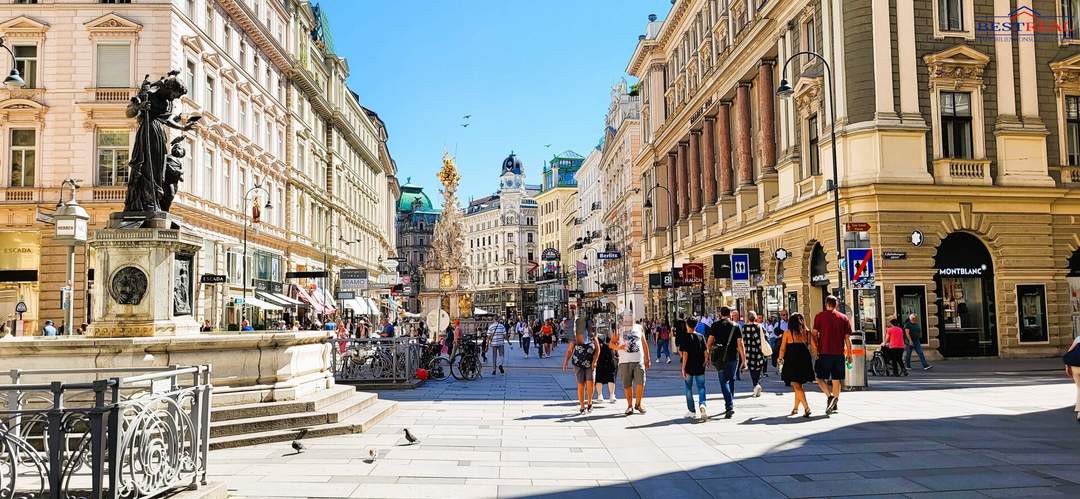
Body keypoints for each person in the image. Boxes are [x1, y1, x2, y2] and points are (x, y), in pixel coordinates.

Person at [812, 295, 853, 415]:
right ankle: (835, 403)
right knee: (836, 380)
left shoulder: (819, 316)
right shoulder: (844, 318)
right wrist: (849, 354)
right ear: (837, 305)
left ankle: (830, 397)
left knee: (819, 378)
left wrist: (815, 347)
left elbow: (814, 334)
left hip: (824, 352)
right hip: (839, 354)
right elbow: (847, 339)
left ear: (826, 304)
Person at [706, 307, 745, 418]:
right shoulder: (736, 326)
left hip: (719, 358)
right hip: (733, 357)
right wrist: (744, 360)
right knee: (731, 379)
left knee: (724, 382)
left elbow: (709, 343)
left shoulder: (715, 325)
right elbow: (740, 345)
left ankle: (729, 406)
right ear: (730, 314)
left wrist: (707, 357)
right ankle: (730, 403)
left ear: (720, 314)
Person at [778, 312, 816, 417]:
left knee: (796, 385)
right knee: (798, 385)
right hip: (805, 360)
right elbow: (814, 346)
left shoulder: (787, 333)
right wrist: (816, 357)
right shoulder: (807, 332)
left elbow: (783, 348)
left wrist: (780, 358)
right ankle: (795, 409)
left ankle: (807, 408)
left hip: (792, 360)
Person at [611, 319, 650, 415]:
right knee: (627, 384)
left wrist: (647, 358)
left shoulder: (639, 327)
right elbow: (611, 344)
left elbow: (644, 343)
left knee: (641, 382)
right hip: (624, 361)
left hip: (638, 360)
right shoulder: (619, 329)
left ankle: (638, 403)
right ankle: (629, 406)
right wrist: (619, 348)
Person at [563, 323, 600, 415]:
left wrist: (594, 361)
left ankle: (590, 403)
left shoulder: (592, 335)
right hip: (578, 364)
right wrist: (566, 361)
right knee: (581, 385)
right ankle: (582, 406)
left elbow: (598, 350)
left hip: (590, 363)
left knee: (591, 383)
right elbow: (570, 350)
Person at [681, 318, 708, 421]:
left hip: (689, 367)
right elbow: (706, 352)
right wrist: (705, 361)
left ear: (687, 325)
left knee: (688, 388)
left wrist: (683, 368)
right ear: (696, 325)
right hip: (700, 366)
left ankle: (692, 411)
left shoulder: (685, 337)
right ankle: (702, 405)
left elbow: (685, 354)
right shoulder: (701, 337)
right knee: (701, 387)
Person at [741, 311, 767, 397]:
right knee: (758, 368)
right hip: (758, 351)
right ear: (755, 317)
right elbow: (765, 337)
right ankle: (757, 384)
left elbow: (742, 340)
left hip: (748, 351)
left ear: (748, 318)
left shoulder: (744, 327)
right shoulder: (759, 326)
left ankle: (755, 385)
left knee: (752, 369)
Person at [594, 330, 618, 404]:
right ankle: (602, 395)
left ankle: (608, 395)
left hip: (606, 352)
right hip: (603, 352)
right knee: (602, 374)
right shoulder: (612, 329)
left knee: (608, 374)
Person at [1067, 335, 1080, 423]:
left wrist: (1067, 367)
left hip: (1075, 367)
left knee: (1079, 388)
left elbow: (1069, 353)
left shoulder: (1078, 338)